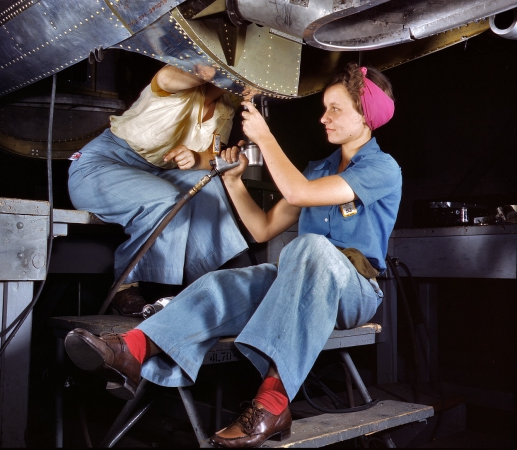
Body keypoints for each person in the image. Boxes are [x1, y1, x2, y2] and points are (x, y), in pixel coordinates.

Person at [64, 61, 402, 448]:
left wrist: (266, 137)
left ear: (365, 116)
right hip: (299, 279)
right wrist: (233, 180)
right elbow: (262, 228)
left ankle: (272, 404)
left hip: (354, 292)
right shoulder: (316, 169)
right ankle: (132, 351)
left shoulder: (382, 168)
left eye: (335, 110)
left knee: (310, 247)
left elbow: (297, 195)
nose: (323, 118)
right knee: (224, 282)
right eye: (323, 107)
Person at [67, 64, 248, 315]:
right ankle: (127, 287)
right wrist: (211, 70)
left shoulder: (227, 105)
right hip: (101, 166)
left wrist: (196, 158)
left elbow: (212, 157)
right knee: (165, 199)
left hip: (156, 173)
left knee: (210, 185)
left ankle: (214, 285)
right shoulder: (176, 81)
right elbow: (166, 78)